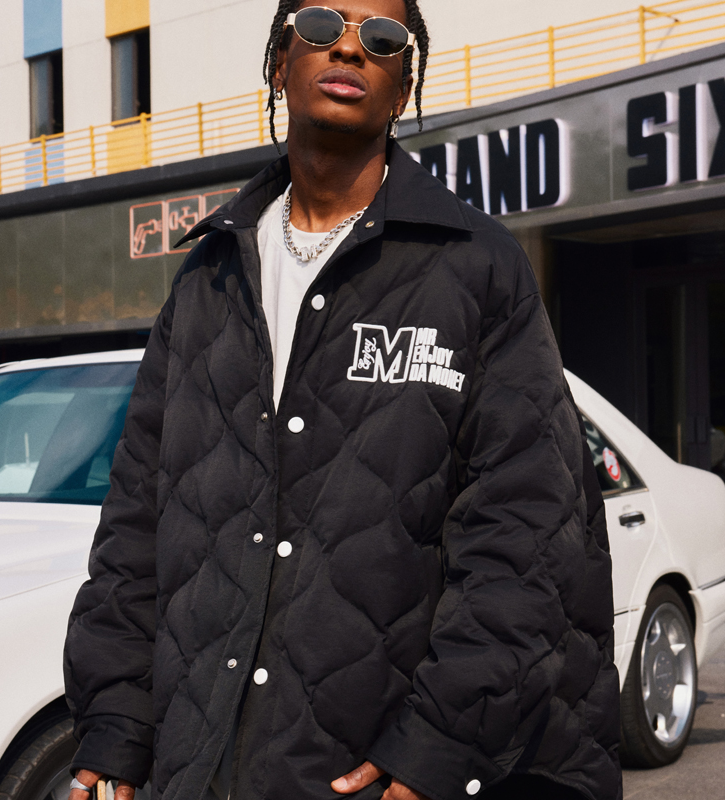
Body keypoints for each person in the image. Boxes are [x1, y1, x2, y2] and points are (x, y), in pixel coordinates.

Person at [64, 1, 622, 799]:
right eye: (322, 24)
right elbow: (136, 522)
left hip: (379, 772)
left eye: (383, 39)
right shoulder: (208, 278)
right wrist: (119, 719)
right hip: (203, 769)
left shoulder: (476, 269)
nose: (351, 48)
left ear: (403, 90)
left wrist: (438, 743)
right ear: (279, 62)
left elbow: (525, 531)